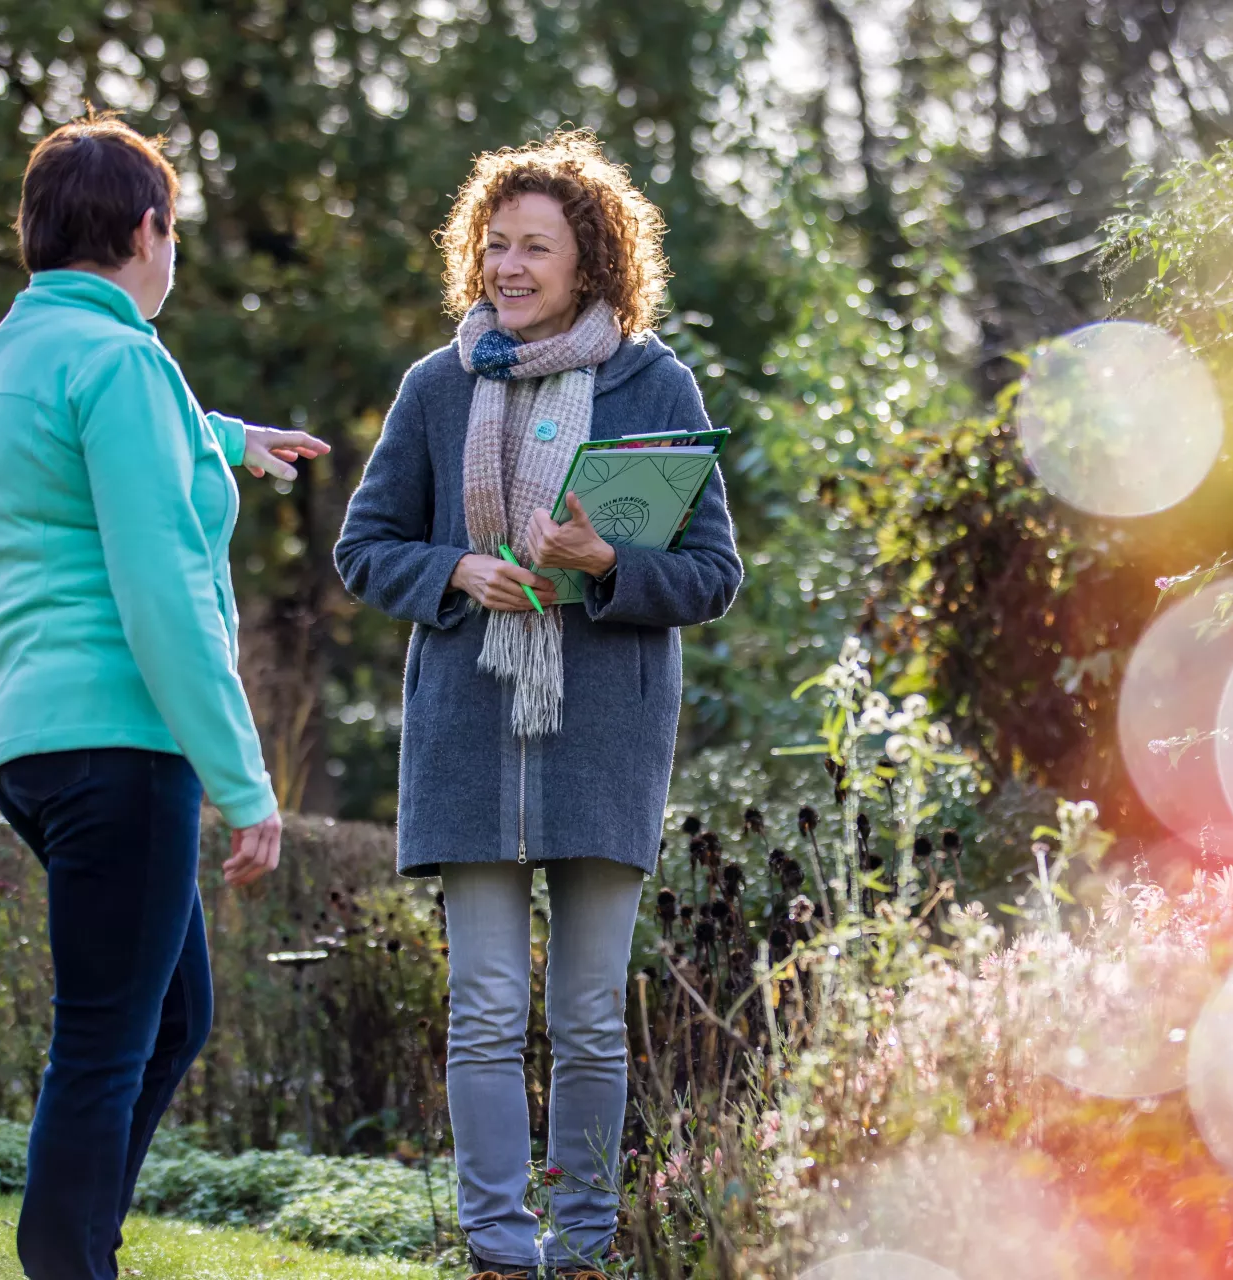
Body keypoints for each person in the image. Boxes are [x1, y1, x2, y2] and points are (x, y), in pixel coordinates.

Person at [335, 131, 742, 1280]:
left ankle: (590, 1248)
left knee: (592, 1013)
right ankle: (501, 1253)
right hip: (468, 730)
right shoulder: (435, 385)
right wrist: (458, 571)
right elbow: (363, 546)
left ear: (590, 261)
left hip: (602, 734)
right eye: (496, 244)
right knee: (484, 1006)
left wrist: (606, 559)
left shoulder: (654, 381)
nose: (509, 266)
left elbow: (713, 575)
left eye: (536, 247)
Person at [0, 113, 327, 1280]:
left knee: (167, 1018)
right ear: (147, 229)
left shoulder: (5, 362)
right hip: (121, 737)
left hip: (32, 741)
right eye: (175, 234)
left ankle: (80, 1248)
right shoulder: (122, 362)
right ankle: (67, 1263)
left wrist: (215, 434)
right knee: (111, 1036)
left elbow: (74, 460)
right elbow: (160, 585)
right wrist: (245, 779)